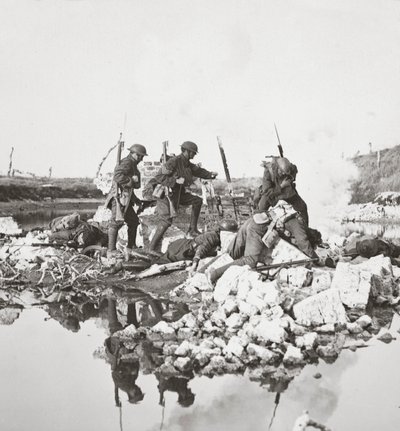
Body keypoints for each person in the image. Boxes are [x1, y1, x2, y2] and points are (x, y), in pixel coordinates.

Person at [208, 204, 320, 283]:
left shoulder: (290, 216)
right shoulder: (299, 224)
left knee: (231, 254)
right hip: (257, 227)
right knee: (250, 261)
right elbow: (303, 243)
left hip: (253, 221)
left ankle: (202, 271)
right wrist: (316, 258)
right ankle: (214, 275)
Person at [145, 141, 218, 251]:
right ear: (186, 151)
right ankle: (151, 248)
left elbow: (198, 171)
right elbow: (159, 177)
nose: (194, 155)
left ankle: (192, 229)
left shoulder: (186, 163)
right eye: (193, 153)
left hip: (178, 194)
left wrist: (210, 175)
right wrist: (175, 181)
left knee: (197, 201)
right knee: (166, 221)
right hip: (166, 195)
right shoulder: (173, 161)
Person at [105, 143, 148, 260]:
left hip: (126, 198)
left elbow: (129, 188)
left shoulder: (132, 164)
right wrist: (130, 179)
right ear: (132, 153)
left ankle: (131, 246)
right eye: (138, 156)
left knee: (133, 221)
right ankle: (111, 250)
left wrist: (135, 200)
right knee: (115, 222)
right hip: (119, 198)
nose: (141, 159)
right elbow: (117, 177)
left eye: (142, 156)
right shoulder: (127, 162)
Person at [156, 219, 238, 273]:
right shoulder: (213, 237)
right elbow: (201, 249)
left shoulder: (217, 236)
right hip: (181, 249)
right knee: (159, 264)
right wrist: (194, 267)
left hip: (182, 246)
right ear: (221, 232)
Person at [257, 156, 309, 226]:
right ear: (277, 167)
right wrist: (281, 186)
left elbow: (295, 170)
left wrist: (291, 178)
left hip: (287, 193)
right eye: (281, 172)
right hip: (273, 195)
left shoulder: (291, 167)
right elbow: (267, 192)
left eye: (285, 173)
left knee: (302, 207)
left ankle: (305, 229)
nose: (283, 174)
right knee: (261, 210)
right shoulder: (268, 172)